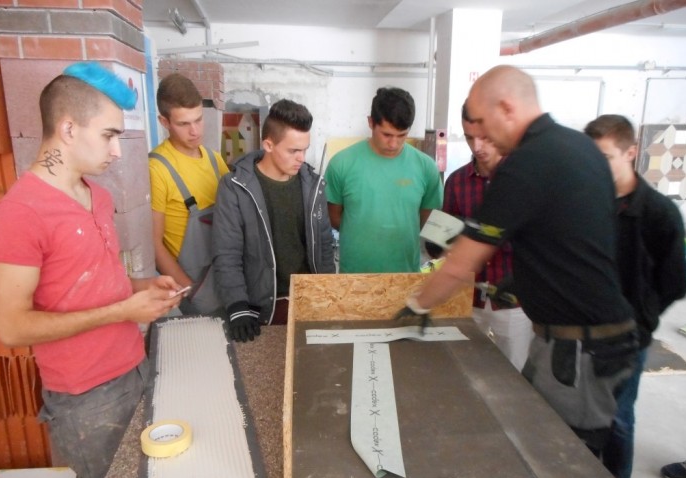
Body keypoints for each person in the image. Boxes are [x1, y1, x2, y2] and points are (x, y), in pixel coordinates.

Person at [399, 65, 638, 478]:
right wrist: (523, 278)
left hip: (579, 348)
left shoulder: (527, 163)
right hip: (581, 338)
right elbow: (572, 239)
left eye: (483, 124)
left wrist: (415, 305)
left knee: (565, 464)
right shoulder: (576, 148)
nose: (480, 139)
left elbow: (462, 262)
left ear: (506, 108)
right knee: (540, 439)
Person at [0, 62, 184, 478]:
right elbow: (11, 327)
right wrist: (124, 310)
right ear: (68, 128)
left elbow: (93, 283)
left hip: (134, 367)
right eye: (109, 135)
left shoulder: (98, 196)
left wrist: (143, 288)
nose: (117, 151)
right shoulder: (19, 213)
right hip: (84, 398)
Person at [584, 114, 686, 478]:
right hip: (584, 334)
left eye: (605, 157)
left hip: (629, 339)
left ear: (631, 152)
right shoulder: (588, 204)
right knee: (581, 417)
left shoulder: (659, 212)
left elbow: (675, 280)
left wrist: (641, 317)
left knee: (618, 419)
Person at [212, 99, 335, 342]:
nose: (301, 158)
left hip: (308, 303)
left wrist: (329, 293)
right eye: (293, 151)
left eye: (305, 149)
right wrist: (237, 305)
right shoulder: (234, 187)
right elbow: (227, 252)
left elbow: (324, 245)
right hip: (262, 308)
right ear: (268, 144)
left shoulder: (313, 185)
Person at [433, 102, 532, 371]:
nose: (477, 147)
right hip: (468, 298)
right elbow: (442, 239)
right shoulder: (456, 182)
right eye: (469, 138)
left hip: (513, 302)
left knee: (513, 375)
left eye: (485, 138)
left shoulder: (525, 180)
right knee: (464, 369)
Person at [325, 86, 443, 273]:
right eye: (387, 134)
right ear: (371, 122)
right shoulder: (342, 164)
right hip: (354, 279)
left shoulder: (426, 168)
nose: (394, 143)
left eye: (402, 135)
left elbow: (426, 220)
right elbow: (334, 218)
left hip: (405, 276)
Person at [149, 73, 229, 314]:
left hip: (226, 278)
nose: (195, 131)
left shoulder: (215, 160)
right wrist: (191, 291)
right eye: (183, 124)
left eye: (199, 120)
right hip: (194, 288)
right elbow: (154, 245)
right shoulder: (157, 168)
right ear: (164, 122)